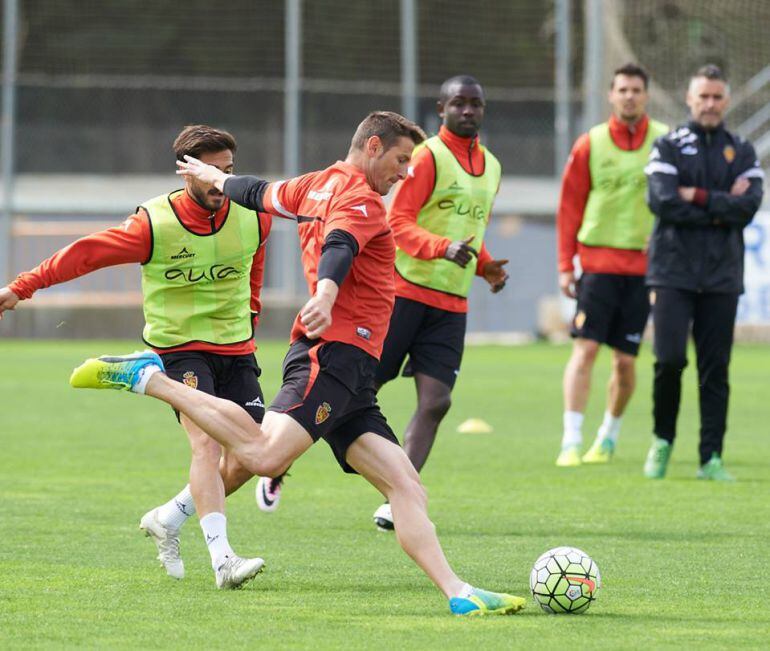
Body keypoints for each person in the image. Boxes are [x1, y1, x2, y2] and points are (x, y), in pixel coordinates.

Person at [69, 111, 526, 616]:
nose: (404, 173)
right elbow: (340, 245)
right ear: (372, 146)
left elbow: (260, 192)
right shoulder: (360, 198)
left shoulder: (315, 185)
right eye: (400, 160)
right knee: (265, 457)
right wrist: (327, 293)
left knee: (406, 483)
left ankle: (458, 594)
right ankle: (149, 378)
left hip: (355, 373)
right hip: (330, 356)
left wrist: (217, 178)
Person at [0, 125, 272, 588]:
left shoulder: (253, 213)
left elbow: (254, 265)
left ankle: (169, 516)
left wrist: (252, 313)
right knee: (205, 443)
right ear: (185, 171)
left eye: (227, 171)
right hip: (180, 351)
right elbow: (84, 255)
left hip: (237, 350)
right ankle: (222, 559)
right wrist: (20, 287)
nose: (220, 182)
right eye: (210, 172)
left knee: (255, 454)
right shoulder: (154, 222)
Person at [368, 75, 508, 530]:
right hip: (405, 293)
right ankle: (277, 464)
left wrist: (485, 265)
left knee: (437, 401)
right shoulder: (427, 156)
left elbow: (472, 232)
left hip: (451, 304)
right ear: (441, 108)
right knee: (354, 388)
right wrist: (441, 248)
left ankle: (398, 498)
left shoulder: (492, 166)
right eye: (459, 103)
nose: (468, 111)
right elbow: (398, 221)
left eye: (476, 104)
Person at [643, 64, 763, 480]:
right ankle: (662, 440)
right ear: (690, 99)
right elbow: (662, 202)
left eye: (717, 97)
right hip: (672, 271)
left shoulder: (742, 150)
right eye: (703, 97)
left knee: (716, 367)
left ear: (726, 101)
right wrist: (718, 206)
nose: (710, 104)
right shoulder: (667, 147)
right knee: (669, 359)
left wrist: (694, 196)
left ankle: (710, 457)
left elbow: (747, 208)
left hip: (721, 276)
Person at [555, 63, 668, 468]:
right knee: (584, 350)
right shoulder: (591, 144)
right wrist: (566, 265)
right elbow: (570, 207)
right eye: (622, 89)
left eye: (636, 89)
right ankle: (570, 439)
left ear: (646, 95)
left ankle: (608, 436)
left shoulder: (664, 142)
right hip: (598, 265)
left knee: (625, 360)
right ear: (611, 94)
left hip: (644, 270)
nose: (629, 96)